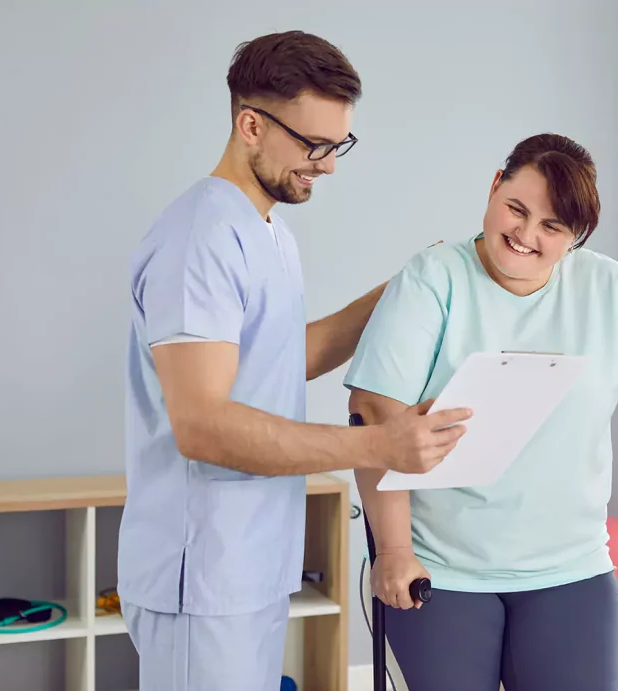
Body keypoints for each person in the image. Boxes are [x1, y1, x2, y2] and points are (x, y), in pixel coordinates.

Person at [119, 31, 472, 691]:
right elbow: (204, 424)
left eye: (339, 145)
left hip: (252, 563)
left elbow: (283, 357)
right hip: (203, 574)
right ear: (250, 125)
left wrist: (401, 290)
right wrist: (378, 444)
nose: (329, 165)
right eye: (315, 145)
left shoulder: (269, 232)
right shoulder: (201, 239)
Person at [344, 133, 618, 691]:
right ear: (495, 186)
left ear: (575, 239)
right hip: (443, 569)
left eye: (552, 227)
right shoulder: (432, 278)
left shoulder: (612, 292)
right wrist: (394, 552)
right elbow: (375, 412)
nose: (525, 235)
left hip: (571, 568)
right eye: (516, 208)